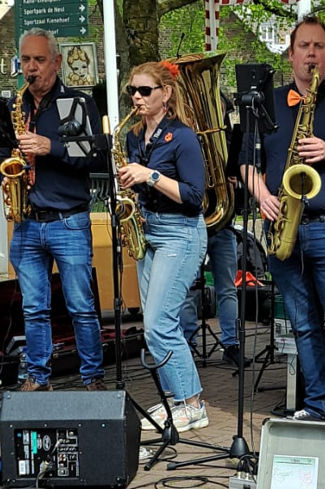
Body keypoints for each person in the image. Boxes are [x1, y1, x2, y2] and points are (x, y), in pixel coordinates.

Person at [239, 14, 325, 425]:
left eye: (319, 46)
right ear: (291, 54)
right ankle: (317, 405)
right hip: (283, 226)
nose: (312, 54)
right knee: (302, 325)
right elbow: (246, 163)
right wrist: (262, 194)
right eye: (304, 46)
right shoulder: (267, 104)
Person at [2, 28, 106, 392]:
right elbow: (1, 154)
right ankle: (38, 377)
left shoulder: (75, 104)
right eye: (26, 60)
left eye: (39, 60)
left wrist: (51, 146)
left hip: (68, 220)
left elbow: (94, 155)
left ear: (57, 62)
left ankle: (92, 378)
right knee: (33, 308)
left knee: (80, 305)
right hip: (28, 222)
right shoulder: (16, 104)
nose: (31, 68)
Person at [118, 60, 209, 433]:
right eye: (132, 91)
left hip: (181, 233)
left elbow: (194, 196)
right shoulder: (134, 137)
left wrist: (150, 175)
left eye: (145, 91)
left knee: (160, 324)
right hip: (150, 231)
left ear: (165, 94)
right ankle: (176, 401)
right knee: (152, 324)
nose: (137, 98)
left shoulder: (183, 137)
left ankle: (193, 404)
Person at [181, 92, 251, 368]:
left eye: (218, 111)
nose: (214, 117)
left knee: (227, 288)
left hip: (221, 223)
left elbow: (247, 194)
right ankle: (186, 344)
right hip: (192, 221)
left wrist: (237, 185)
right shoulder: (187, 139)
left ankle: (232, 345)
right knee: (186, 288)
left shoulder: (235, 141)